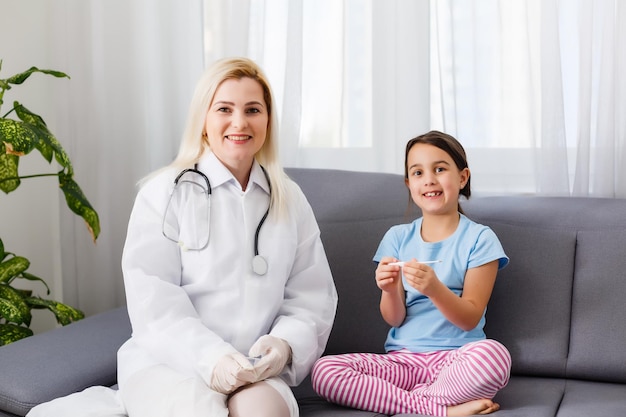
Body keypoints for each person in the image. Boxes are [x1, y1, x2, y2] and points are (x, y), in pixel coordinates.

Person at [27, 57, 337, 417]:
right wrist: (213, 358)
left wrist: (283, 346)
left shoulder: (288, 199)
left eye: (253, 110)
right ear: (203, 120)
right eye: (225, 109)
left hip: (253, 367)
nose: (240, 122)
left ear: (267, 120)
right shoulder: (164, 193)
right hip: (170, 363)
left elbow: (312, 294)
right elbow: (153, 300)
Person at [311, 130, 510, 417]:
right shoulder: (397, 238)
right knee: (324, 371)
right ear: (409, 183)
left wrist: (434, 289)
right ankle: (440, 410)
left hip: (457, 360)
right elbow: (394, 318)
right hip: (403, 363)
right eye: (417, 172)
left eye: (440, 169)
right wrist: (389, 289)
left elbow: (470, 319)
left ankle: (412, 401)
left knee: (494, 357)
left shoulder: (480, 239)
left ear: (462, 177)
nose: (428, 179)